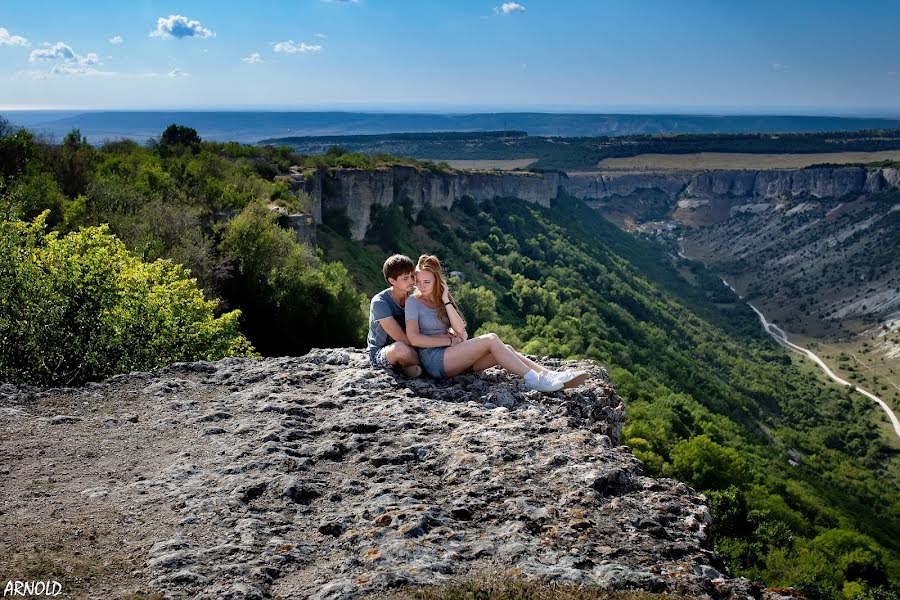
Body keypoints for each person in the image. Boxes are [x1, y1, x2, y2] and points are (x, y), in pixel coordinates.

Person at [405, 254, 588, 393]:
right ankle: (534, 380)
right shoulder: (413, 302)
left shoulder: (440, 299)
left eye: (427, 282)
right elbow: (414, 339)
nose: (421, 286)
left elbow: (461, 330)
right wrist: (448, 341)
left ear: (438, 281)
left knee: (505, 348)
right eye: (418, 281)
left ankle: (549, 375)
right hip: (434, 360)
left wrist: (445, 299)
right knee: (492, 339)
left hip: (452, 357)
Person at [366, 254, 423, 378]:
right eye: (405, 278)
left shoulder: (414, 295)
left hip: (413, 346)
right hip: (384, 352)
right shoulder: (380, 302)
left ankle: (411, 368)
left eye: (412, 276)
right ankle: (427, 366)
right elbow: (401, 338)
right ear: (392, 281)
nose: (411, 281)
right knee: (400, 349)